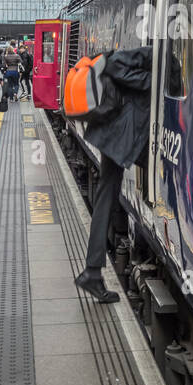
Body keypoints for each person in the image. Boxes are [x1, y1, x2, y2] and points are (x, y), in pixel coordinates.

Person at [75, 46, 152, 302]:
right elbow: (113, 63)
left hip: (118, 134)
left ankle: (92, 272)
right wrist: (152, 81)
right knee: (106, 198)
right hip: (117, 134)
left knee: (106, 198)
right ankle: (91, 271)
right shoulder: (156, 52)